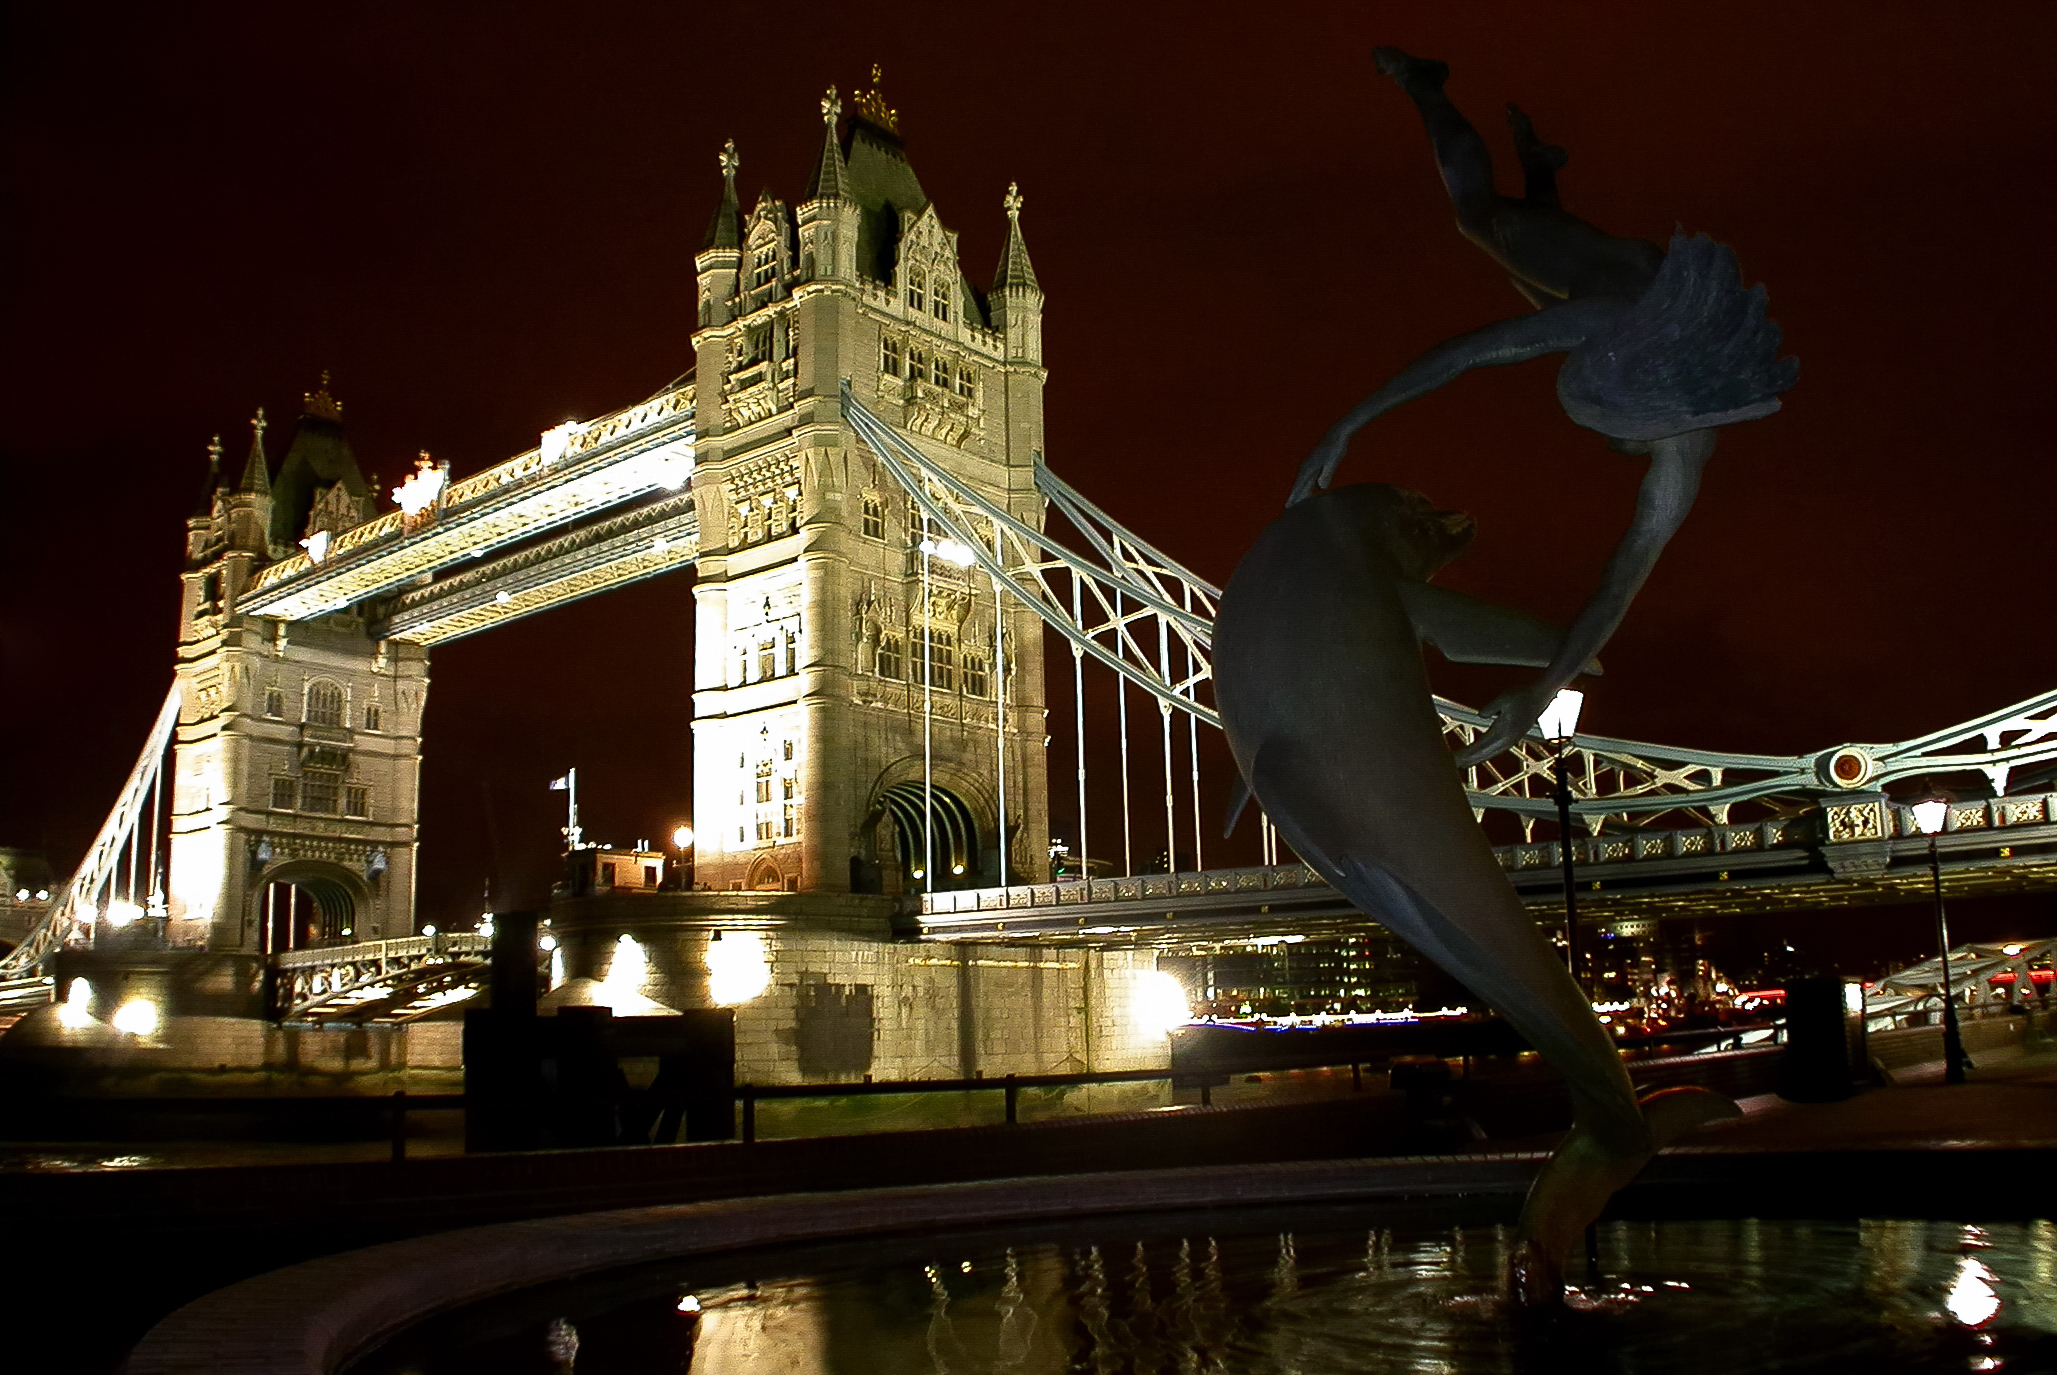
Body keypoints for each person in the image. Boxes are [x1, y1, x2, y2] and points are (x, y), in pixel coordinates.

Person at [1294, 49, 1797, 766]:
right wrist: (1345, 425)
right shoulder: (1617, 336)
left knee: (1532, 286)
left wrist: (1542, 691)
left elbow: (1616, 589)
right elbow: (1466, 352)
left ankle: (1540, 169)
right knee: (1479, 221)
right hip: (1622, 285)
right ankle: (1427, 84)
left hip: (1632, 296)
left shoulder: (1682, 443)